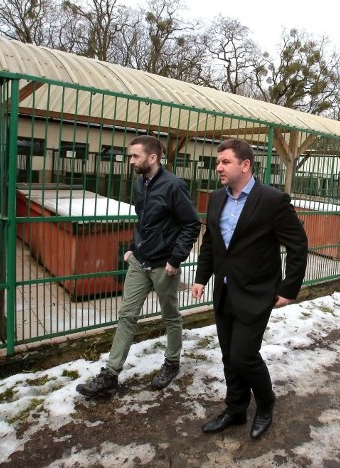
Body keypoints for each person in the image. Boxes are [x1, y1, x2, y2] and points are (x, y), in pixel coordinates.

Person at [191, 138, 308, 439]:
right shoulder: (217, 199)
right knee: (229, 356)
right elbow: (211, 244)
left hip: (257, 293)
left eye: (225, 161)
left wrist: (288, 288)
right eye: (217, 162)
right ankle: (236, 409)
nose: (218, 167)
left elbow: (298, 245)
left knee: (244, 355)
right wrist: (202, 278)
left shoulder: (272, 200)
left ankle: (266, 403)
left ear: (245, 165)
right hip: (225, 291)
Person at [76, 135, 201, 397]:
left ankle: (172, 362)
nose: (130, 160)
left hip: (164, 266)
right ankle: (110, 375)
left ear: (152, 158)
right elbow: (142, 219)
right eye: (130, 156)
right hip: (139, 261)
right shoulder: (139, 183)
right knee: (126, 316)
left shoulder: (174, 186)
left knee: (170, 317)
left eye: (135, 156)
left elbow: (191, 224)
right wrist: (133, 246)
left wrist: (175, 259)